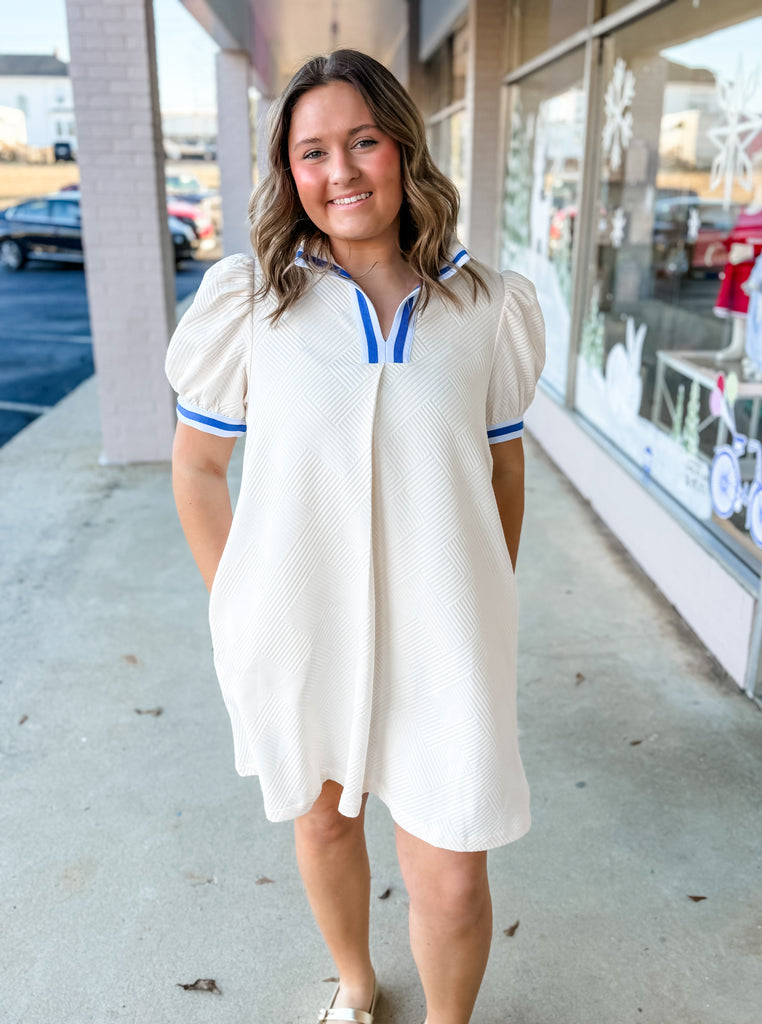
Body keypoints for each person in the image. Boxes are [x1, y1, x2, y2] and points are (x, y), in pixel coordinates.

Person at [166, 48, 545, 1024]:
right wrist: (241, 604)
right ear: (289, 170)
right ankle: (357, 984)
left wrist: (483, 602)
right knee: (327, 824)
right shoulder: (256, 302)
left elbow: (503, 470)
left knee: (452, 875)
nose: (340, 171)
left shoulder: (487, 304)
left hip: (444, 640)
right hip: (305, 630)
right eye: (313, 151)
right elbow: (197, 468)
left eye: (363, 141)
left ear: (403, 148)